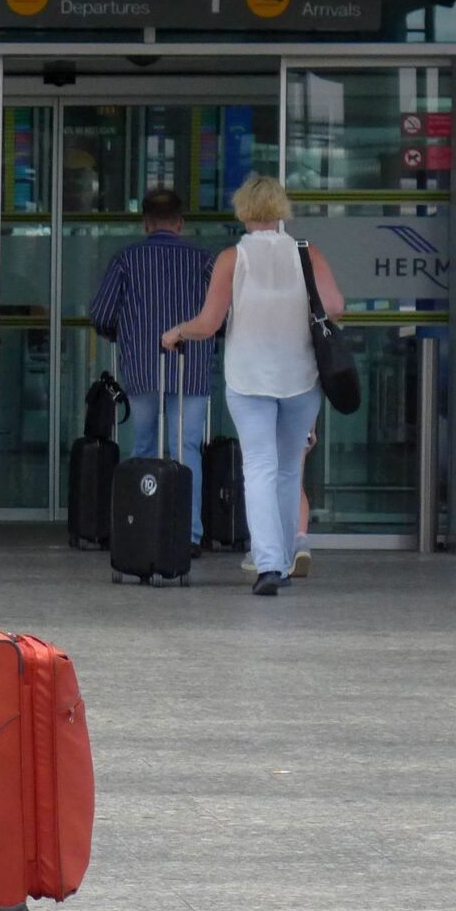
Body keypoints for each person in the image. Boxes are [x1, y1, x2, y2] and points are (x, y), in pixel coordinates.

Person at [165, 176, 342, 597]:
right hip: (301, 380)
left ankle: (268, 566)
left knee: (259, 468)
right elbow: (334, 307)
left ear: (243, 210)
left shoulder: (233, 258)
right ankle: (279, 558)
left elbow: (208, 324)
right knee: (286, 470)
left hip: (249, 380)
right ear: (281, 209)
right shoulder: (307, 253)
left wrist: (176, 332)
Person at [89, 187, 216, 550]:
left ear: (145, 223)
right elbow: (224, 314)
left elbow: (101, 314)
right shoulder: (204, 261)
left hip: (142, 369)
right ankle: (188, 535)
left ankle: (139, 526)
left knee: (143, 447)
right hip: (192, 370)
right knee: (186, 449)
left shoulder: (126, 260)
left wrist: (123, 335)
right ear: (180, 222)